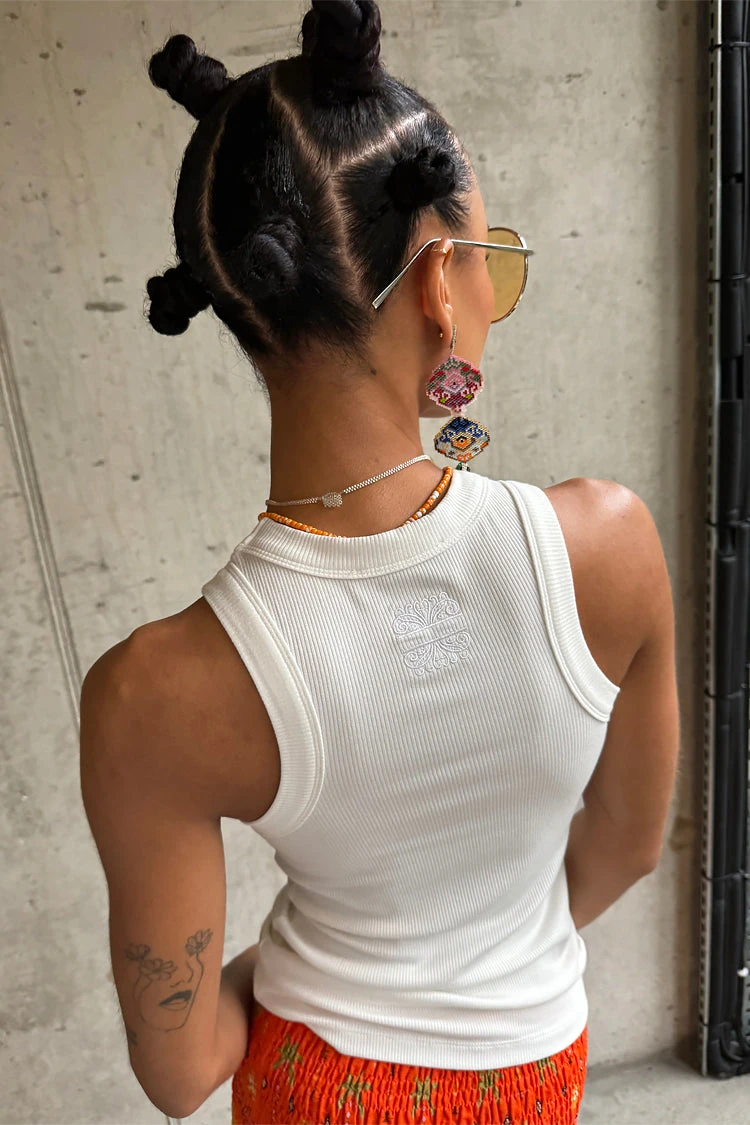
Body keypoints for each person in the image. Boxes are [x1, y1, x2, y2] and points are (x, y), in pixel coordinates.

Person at [79, 2, 680, 1122]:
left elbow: (180, 1067)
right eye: (492, 264)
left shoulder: (151, 692)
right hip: (540, 1073)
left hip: (312, 1086)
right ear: (441, 284)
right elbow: (627, 847)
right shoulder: (608, 546)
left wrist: (310, 965)